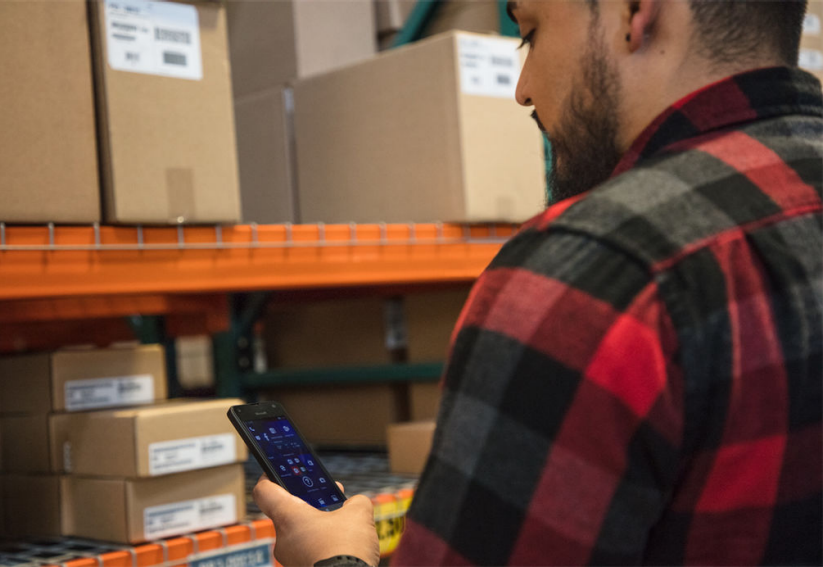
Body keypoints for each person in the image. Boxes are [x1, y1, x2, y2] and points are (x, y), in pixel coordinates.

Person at [253, 0, 823, 564]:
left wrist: (334, 558)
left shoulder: (593, 269)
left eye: (531, 33)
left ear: (634, 12)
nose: (522, 89)